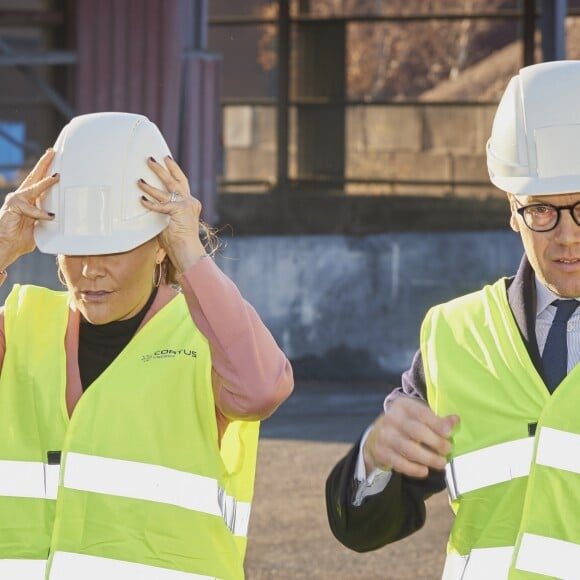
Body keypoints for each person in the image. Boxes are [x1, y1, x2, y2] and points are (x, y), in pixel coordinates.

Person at [0, 111, 293, 579]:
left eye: (113, 248)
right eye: (75, 248)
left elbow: (262, 389)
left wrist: (191, 252)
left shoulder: (205, 334)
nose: (90, 270)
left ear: (160, 245)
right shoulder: (20, 327)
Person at [326, 59, 580, 579]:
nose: (568, 235)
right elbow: (367, 528)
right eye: (542, 211)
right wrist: (374, 458)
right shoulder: (456, 337)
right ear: (511, 208)